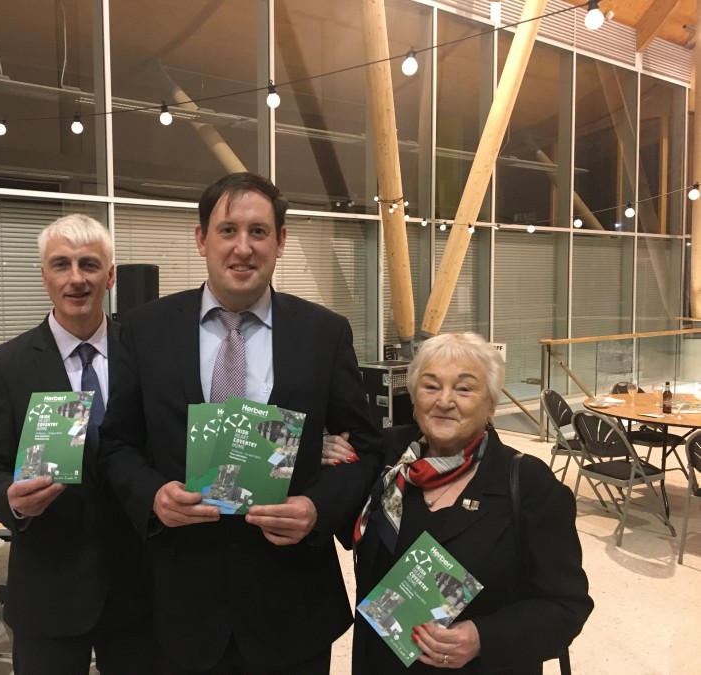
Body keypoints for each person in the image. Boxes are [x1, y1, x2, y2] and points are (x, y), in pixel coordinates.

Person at [98, 171, 382, 674]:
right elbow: (118, 443)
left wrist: (317, 507)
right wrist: (152, 496)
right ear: (202, 239)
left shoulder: (324, 332)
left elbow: (365, 445)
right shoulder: (145, 330)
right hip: (177, 605)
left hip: (291, 604)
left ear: (281, 241)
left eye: (259, 231)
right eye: (228, 230)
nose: (243, 247)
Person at [0, 214, 158, 674]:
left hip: (141, 589)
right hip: (49, 591)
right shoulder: (3, 367)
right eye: (61, 265)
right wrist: (9, 500)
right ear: (44, 275)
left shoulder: (147, 355)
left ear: (110, 276)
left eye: (89, 264)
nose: (76, 279)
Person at [351, 333, 593, 673]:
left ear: (491, 403)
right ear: (414, 397)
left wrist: (483, 637)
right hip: (380, 662)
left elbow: (566, 606)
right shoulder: (390, 459)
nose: (445, 401)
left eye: (464, 389)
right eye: (431, 386)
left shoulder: (529, 484)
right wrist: (326, 449)